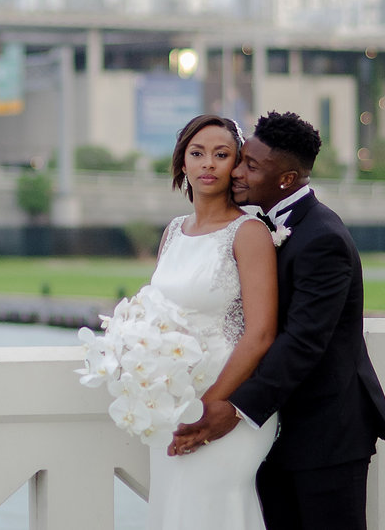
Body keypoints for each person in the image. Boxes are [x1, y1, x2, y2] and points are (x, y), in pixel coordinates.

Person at [170, 111, 385, 530]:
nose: (236, 171)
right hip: (276, 433)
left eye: (250, 165)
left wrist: (234, 408)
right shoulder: (265, 224)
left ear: (287, 179)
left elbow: (304, 342)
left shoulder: (322, 237)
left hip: (326, 434)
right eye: (241, 159)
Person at [146, 114, 280, 529]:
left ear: (236, 164)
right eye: (197, 153)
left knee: (211, 509)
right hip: (172, 403)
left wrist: (211, 407)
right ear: (182, 162)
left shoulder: (249, 232)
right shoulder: (173, 231)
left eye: (221, 155)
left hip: (226, 405)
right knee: (175, 509)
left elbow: (260, 333)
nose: (208, 164)